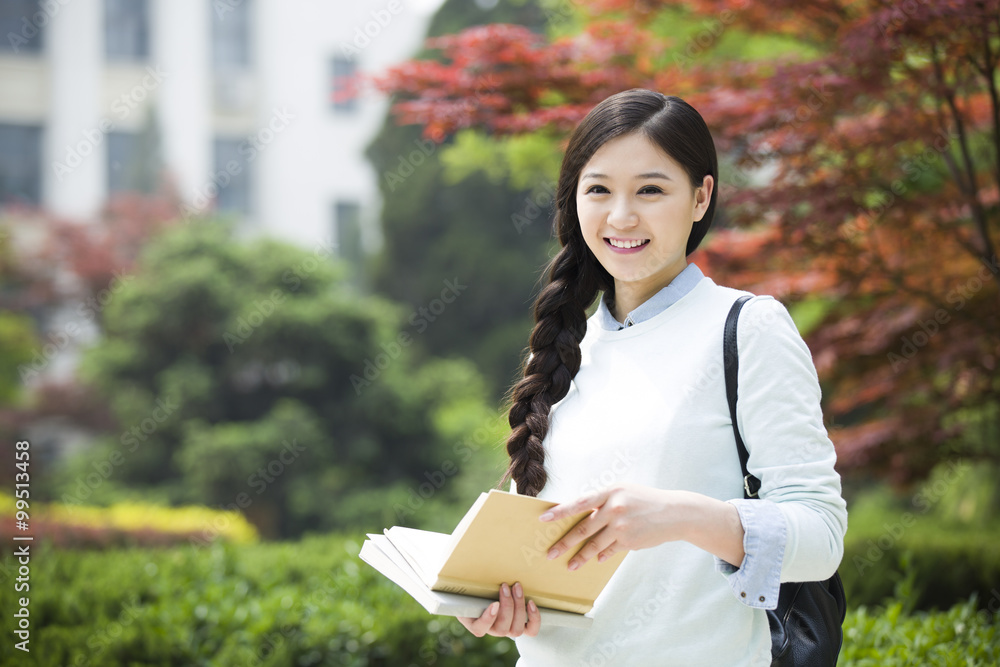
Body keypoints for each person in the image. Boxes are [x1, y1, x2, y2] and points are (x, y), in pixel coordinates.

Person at [456, 88, 847, 666]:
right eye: (598, 190)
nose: (621, 217)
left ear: (700, 196)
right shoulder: (565, 352)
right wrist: (490, 602)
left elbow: (821, 538)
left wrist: (682, 517)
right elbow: (542, 569)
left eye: (651, 190)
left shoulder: (746, 327)